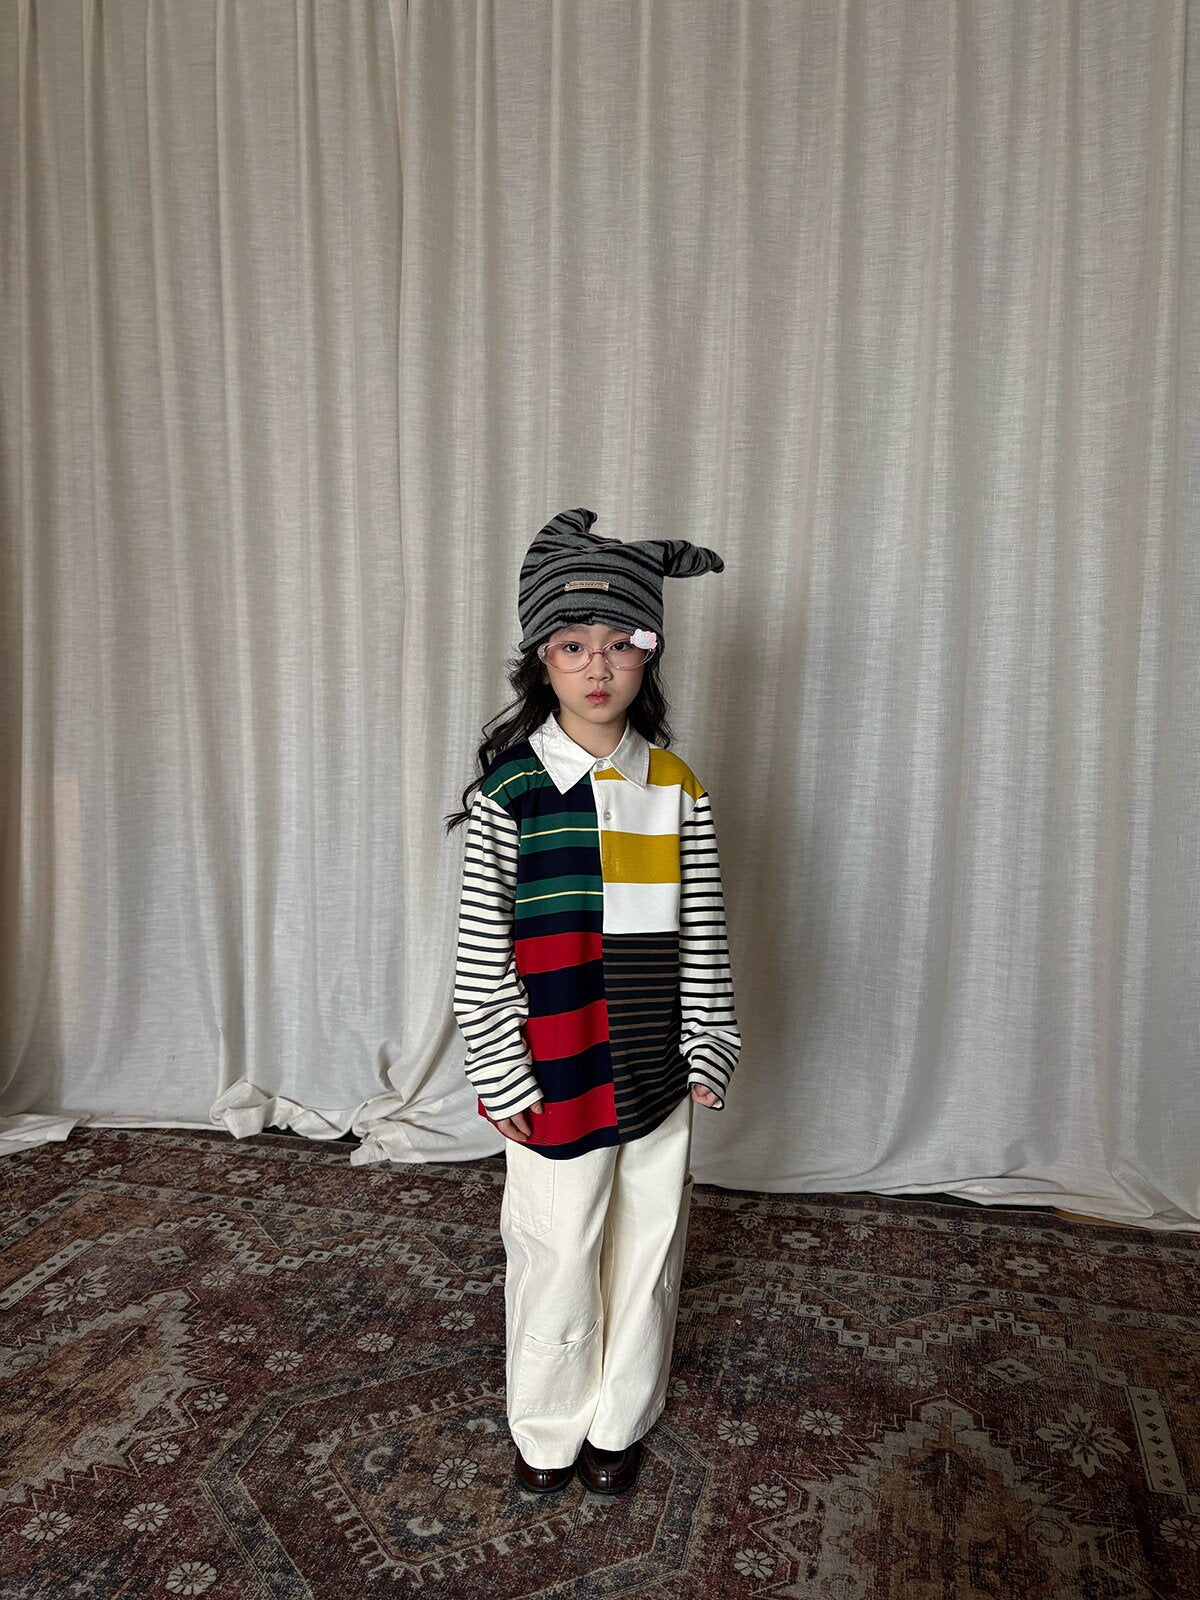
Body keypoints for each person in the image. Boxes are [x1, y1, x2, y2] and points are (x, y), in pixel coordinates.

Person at [445, 506, 741, 1498]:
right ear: (542, 658)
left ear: (649, 656)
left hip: (655, 1067)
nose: (599, 665)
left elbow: (703, 928)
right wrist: (502, 1068)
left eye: (621, 642)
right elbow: (481, 954)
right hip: (555, 1069)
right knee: (557, 1249)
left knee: (647, 1248)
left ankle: (620, 1420)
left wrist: (708, 1038)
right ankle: (546, 1429)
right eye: (574, 645)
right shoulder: (513, 793)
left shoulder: (677, 788)